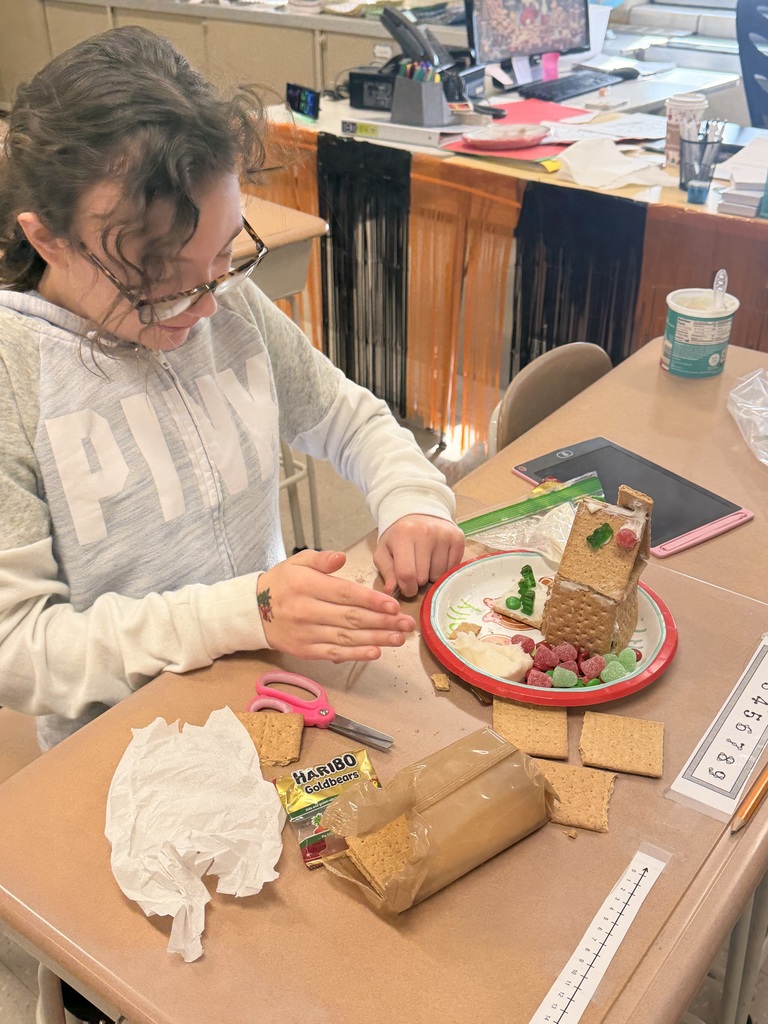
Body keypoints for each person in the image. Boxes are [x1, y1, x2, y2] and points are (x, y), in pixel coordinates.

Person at [0, 26, 465, 752]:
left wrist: (411, 501)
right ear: (48, 240)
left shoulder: (226, 306)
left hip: (271, 688)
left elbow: (346, 416)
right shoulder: (14, 375)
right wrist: (239, 614)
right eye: (154, 283)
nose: (204, 309)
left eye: (221, 258)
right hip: (125, 741)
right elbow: (22, 652)